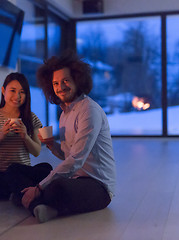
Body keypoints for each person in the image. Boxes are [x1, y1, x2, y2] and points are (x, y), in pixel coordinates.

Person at [20, 51, 116, 223]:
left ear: (77, 80)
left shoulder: (89, 110)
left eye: (65, 81)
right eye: (55, 83)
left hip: (97, 187)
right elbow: (67, 154)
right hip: (75, 178)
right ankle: (44, 206)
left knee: (55, 187)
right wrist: (51, 145)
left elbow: (76, 159)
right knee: (27, 176)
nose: (60, 87)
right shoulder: (64, 113)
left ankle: (36, 203)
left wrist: (40, 187)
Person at [0, 72, 52, 203]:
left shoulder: (31, 118)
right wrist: (1, 136)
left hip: (20, 172)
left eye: (22, 92)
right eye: (13, 91)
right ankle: (17, 192)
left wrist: (25, 136)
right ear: (3, 91)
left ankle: (0, 193)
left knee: (46, 168)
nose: (17, 96)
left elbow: (37, 151)